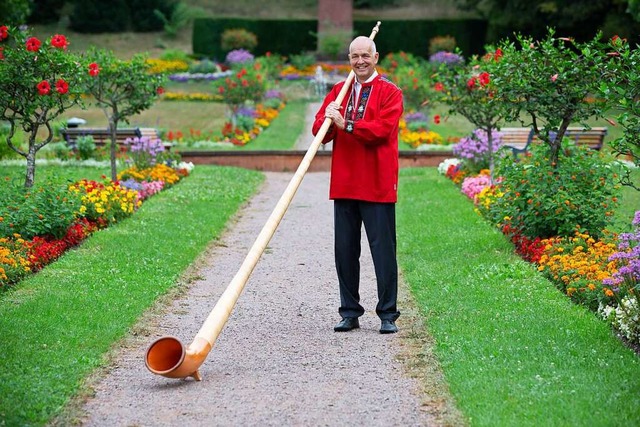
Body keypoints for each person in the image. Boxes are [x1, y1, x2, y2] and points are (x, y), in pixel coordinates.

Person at [312, 36, 404, 334]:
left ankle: (387, 314)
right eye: (355, 56)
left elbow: (380, 131)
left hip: (377, 184)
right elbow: (319, 132)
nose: (360, 61)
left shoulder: (391, 92)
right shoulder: (339, 91)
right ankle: (349, 312)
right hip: (345, 183)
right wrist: (327, 119)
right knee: (345, 251)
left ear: (375, 57)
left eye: (366, 55)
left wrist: (346, 124)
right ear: (349, 59)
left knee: (383, 251)